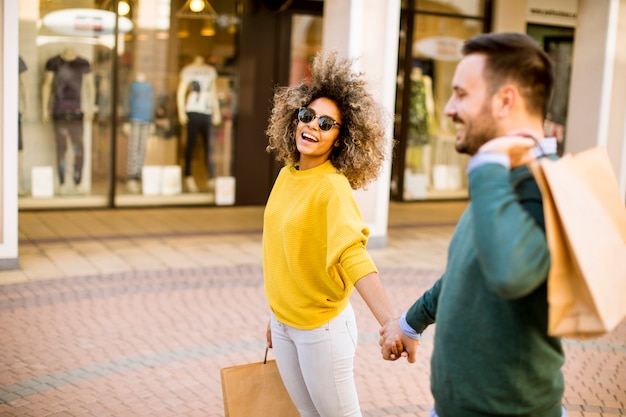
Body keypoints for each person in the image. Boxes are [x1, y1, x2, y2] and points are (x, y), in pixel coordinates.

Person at [379, 32, 567, 417]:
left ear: (505, 100)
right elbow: (466, 271)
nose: (448, 109)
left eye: (461, 94)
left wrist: (486, 165)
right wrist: (410, 323)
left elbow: (509, 274)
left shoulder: (542, 186)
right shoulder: (503, 177)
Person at [263, 51, 399, 417]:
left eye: (327, 124)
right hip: (286, 325)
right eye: (308, 117)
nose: (313, 127)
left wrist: (390, 323)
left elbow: (353, 255)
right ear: (295, 119)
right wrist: (275, 316)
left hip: (321, 331)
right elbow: (285, 254)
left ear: (340, 139)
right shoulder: (287, 175)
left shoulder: (332, 188)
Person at [42, 47, 94, 194]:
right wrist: (44, 108)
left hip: (77, 112)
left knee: (79, 148)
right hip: (59, 111)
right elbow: (46, 85)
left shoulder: (83, 63)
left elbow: (90, 86)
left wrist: (90, 107)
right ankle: (62, 183)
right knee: (61, 148)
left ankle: (78, 181)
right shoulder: (53, 62)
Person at [176, 55, 221, 193]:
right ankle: (188, 175)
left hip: (206, 112)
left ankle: (211, 176)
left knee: (209, 146)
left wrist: (216, 111)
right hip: (193, 110)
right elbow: (181, 92)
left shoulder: (210, 71)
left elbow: (213, 92)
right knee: (191, 145)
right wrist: (181, 111)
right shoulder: (188, 70)